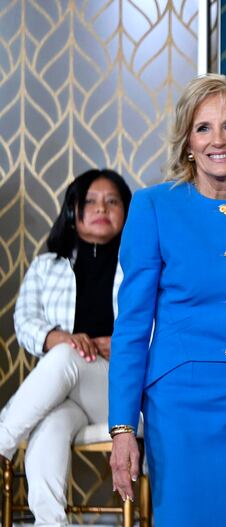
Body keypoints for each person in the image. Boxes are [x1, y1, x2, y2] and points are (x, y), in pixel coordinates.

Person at [108, 73, 226, 526]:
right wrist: (122, 427)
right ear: (188, 142)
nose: (219, 139)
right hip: (180, 405)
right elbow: (133, 326)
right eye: (204, 128)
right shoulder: (153, 206)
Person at [1, 169, 131, 526]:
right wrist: (63, 338)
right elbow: (25, 321)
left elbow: (164, 327)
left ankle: (1, 443)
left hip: (117, 390)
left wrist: (121, 345)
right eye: (89, 200)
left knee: (63, 358)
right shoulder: (47, 267)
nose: (101, 207)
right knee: (50, 429)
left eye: (112, 201)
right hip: (65, 393)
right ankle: (50, 524)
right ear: (73, 210)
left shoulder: (140, 266)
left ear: (126, 211)